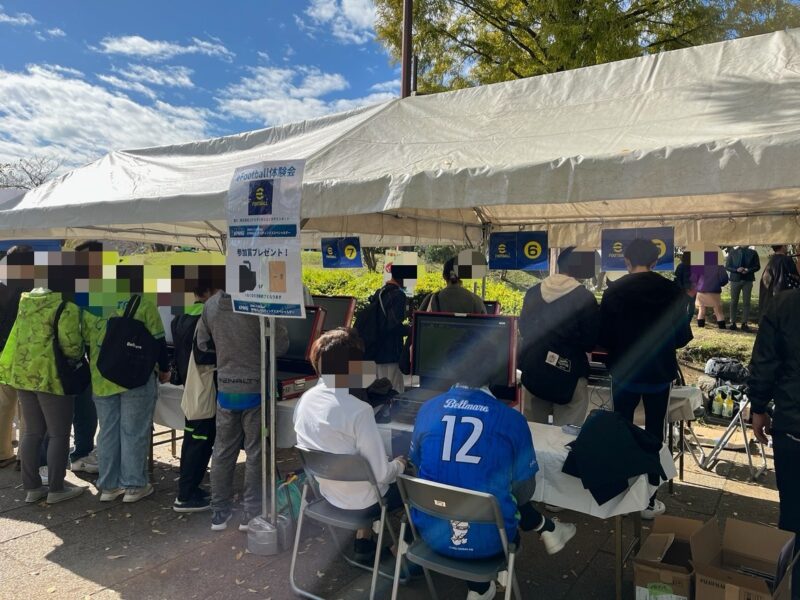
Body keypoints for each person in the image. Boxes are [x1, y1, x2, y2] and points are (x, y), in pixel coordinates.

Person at [409, 335, 576, 600]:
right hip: (489, 542)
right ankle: (481, 587)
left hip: (430, 536)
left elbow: (418, 465)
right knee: (504, 495)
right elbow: (524, 493)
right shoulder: (511, 420)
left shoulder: (428, 410)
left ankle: (482, 585)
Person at [293, 327, 406, 561]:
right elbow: (382, 474)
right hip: (365, 501)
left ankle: (363, 541)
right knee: (412, 485)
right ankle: (402, 551)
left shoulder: (305, 401)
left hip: (327, 494)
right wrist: (401, 464)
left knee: (360, 465)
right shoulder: (359, 410)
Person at [599, 239, 693, 519]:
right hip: (659, 373)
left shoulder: (614, 291)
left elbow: (603, 337)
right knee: (654, 433)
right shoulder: (672, 291)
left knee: (622, 430)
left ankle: (621, 492)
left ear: (627, 261)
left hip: (624, 372)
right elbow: (681, 337)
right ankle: (649, 499)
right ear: (655, 263)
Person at [195, 289, 288, 531]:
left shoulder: (212, 304)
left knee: (223, 451)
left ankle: (219, 512)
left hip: (226, 387)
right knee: (257, 451)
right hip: (258, 387)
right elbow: (280, 346)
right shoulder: (262, 303)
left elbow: (202, 343)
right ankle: (251, 511)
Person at [0, 287, 88, 504]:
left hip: (23, 374)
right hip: (52, 378)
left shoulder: (26, 301)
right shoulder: (65, 306)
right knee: (59, 434)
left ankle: (32, 488)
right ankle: (57, 488)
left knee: (31, 432)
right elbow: (72, 347)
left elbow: (16, 338)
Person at [83, 292, 171, 504]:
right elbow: (158, 341)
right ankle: (134, 486)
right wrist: (165, 369)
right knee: (133, 431)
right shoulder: (144, 303)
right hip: (136, 377)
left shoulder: (91, 303)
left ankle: (108, 487)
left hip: (102, 376)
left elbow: (85, 343)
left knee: (107, 432)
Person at [748, 289, 800, 593]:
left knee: (795, 517)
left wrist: (758, 406)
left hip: (793, 427)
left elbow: (765, 360)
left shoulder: (785, 303)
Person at [518, 247, 599, 426]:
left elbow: (524, 329)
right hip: (570, 374)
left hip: (534, 371)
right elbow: (589, 342)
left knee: (534, 432)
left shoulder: (533, 292)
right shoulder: (585, 297)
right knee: (566, 438)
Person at [171, 281, 218, 512]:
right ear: (209, 292)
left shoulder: (179, 318)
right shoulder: (208, 320)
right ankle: (186, 495)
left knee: (191, 440)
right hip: (206, 389)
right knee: (201, 442)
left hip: (190, 390)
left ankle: (189, 489)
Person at [368, 265, 409, 393]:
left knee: (378, 388)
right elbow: (393, 325)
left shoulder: (379, 292)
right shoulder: (398, 295)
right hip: (390, 351)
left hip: (375, 349)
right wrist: (409, 329)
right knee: (393, 388)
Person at [725, 245, 760, 332]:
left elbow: (757, 266)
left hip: (748, 280)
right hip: (735, 280)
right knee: (733, 301)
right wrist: (736, 270)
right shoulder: (732, 252)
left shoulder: (753, 253)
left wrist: (748, 270)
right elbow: (727, 266)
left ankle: (744, 323)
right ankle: (732, 322)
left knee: (747, 302)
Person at [760, 245, 799, 311]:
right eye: (786, 246)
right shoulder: (786, 260)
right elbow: (795, 277)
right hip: (783, 298)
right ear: (783, 247)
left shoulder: (771, 261)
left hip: (769, 301)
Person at [693, 262, 729, 329]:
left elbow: (694, 278)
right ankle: (722, 328)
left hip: (702, 290)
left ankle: (701, 328)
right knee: (718, 312)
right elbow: (724, 279)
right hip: (714, 290)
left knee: (701, 310)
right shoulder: (719, 266)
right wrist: (718, 284)